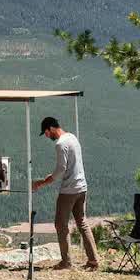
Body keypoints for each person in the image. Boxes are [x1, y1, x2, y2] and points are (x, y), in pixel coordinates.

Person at [32, 116, 99, 271]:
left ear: (51, 128)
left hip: (69, 190)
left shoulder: (61, 144)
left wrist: (43, 182)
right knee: (82, 222)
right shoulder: (72, 137)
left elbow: (61, 170)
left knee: (60, 224)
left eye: (46, 133)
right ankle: (93, 260)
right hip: (82, 187)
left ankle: (66, 262)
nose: (47, 136)